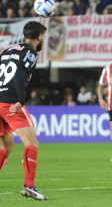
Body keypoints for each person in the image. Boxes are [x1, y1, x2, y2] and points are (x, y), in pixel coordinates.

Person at [0, 21, 48, 200]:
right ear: (40, 36)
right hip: (11, 103)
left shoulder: (7, 51)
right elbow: (19, 73)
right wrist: (20, 100)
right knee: (32, 143)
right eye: (44, 36)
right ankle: (29, 186)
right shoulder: (30, 52)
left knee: (5, 147)